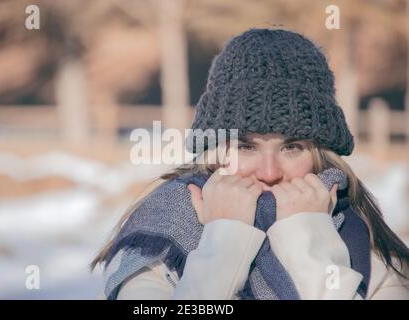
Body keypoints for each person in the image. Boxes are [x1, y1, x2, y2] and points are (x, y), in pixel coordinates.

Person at [91, 28, 409, 299]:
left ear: (320, 155)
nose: (269, 173)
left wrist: (306, 240)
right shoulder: (158, 245)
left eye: (292, 147)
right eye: (245, 146)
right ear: (214, 151)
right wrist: (225, 243)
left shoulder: (372, 254)